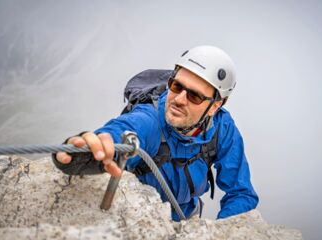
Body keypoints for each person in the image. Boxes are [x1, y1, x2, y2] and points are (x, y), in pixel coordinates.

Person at [53, 45, 258, 221]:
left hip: (190, 218)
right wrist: (84, 153)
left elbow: (241, 193)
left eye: (194, 96)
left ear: (214, 107)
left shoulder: (222, 128)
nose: (179, 99)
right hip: (142, 221)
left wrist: (219, 234)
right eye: (176, 86)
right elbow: (121, 131)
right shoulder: (149, 121)